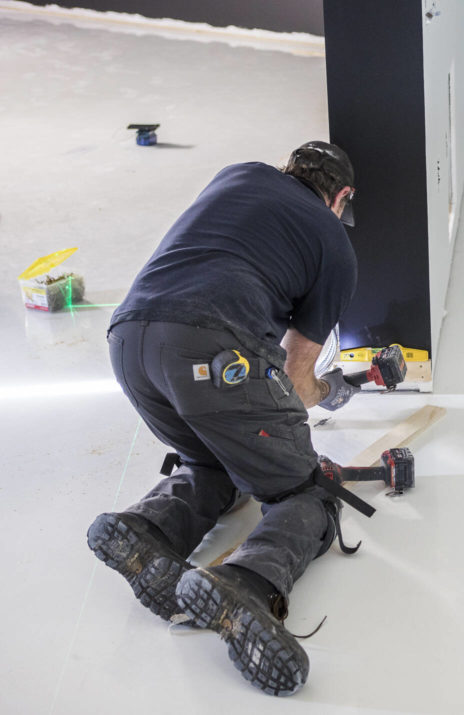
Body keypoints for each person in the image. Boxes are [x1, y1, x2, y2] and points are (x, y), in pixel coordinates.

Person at [87, 141, 366, 696]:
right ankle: (244, 582)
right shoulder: (334, 242)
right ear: (342, 197)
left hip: (130, 344)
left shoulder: (236, 175)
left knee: (217, 459)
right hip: (215, 353)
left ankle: (150, 528)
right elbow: (293, 378)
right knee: (304, 491)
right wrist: (332, 392)